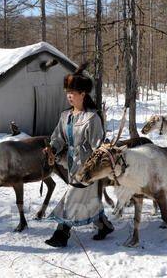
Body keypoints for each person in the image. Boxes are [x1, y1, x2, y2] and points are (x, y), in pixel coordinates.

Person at [45, 63, 114, 248]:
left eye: (73, 93)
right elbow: (58, 138)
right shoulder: (65, 116)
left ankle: (61, 234)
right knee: (88, 201)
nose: (69, 96)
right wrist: (52, 148)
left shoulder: (92, 118)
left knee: (71, 198)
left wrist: (94, 167)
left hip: (88, 169)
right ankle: (104, 225)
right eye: (67, 92)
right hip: (71, 165)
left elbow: (98, 147)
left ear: (83, 94)